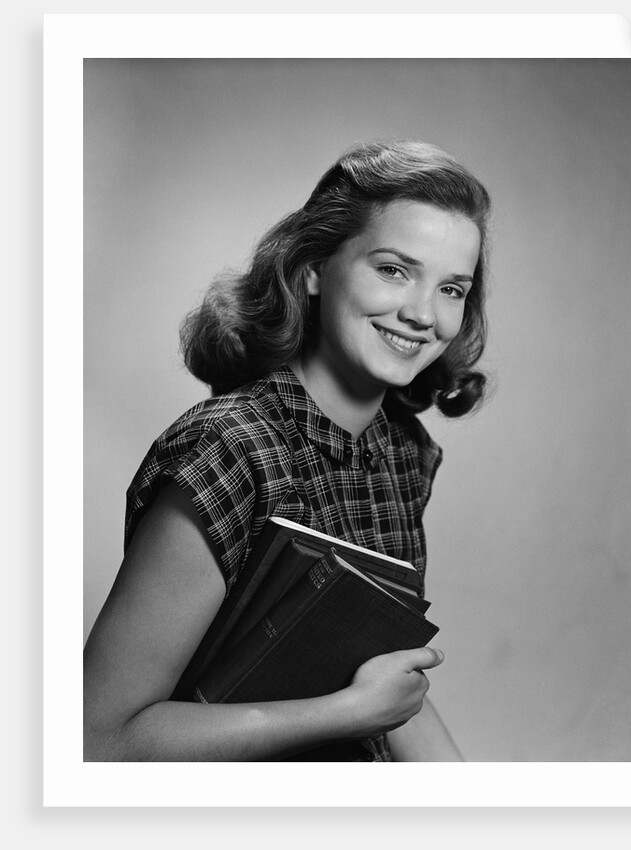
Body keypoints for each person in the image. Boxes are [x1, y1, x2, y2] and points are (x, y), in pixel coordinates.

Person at [83, 139, 491, 762]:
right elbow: (99, 738)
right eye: (392, 270)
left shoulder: (405, 453)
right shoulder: (228, 448)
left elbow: (378, 673)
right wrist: (344, 714)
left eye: (453, 289)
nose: (421, 313)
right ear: (312, 270)